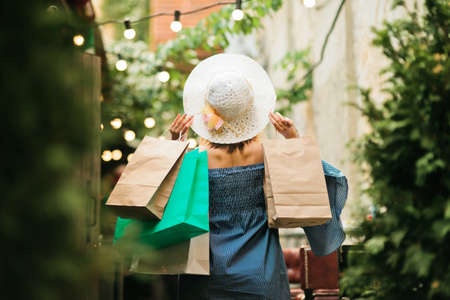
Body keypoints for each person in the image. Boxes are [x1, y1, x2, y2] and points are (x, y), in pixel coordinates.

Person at [167, 53, 347, 299]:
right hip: (261, 274)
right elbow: (318, 178)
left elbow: (167, 200)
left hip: (206, 276)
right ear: (251, 112)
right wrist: (293, 140)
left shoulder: (194, 160)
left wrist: (174, 144)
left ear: (207, 112)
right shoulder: (270, 155)